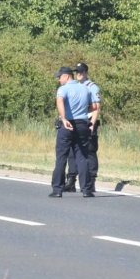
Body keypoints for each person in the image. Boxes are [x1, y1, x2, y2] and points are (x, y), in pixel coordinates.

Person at [50, 67, 97, 198]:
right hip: (82, 124)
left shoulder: (63, 89)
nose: (59, 80)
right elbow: (94, 107)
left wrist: (64, 118)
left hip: (68, 124)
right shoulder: (85, 88)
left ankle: (57, 189)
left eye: (59, 77)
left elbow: (60, 101)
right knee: (82, 157)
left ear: (66, 76)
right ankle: (86, 190)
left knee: (61, 157)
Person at [63, 62, 101, 193]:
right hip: (76, 121)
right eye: (77, 72)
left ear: (86, 72)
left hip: (88, 121)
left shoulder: (92, 87)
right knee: (72, 152)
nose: (78, 74)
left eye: (80, 72)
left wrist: (92, 124)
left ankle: (90, 182)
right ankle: (71, 180)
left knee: (89, 151)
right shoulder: (75, 86)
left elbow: (96, 107)